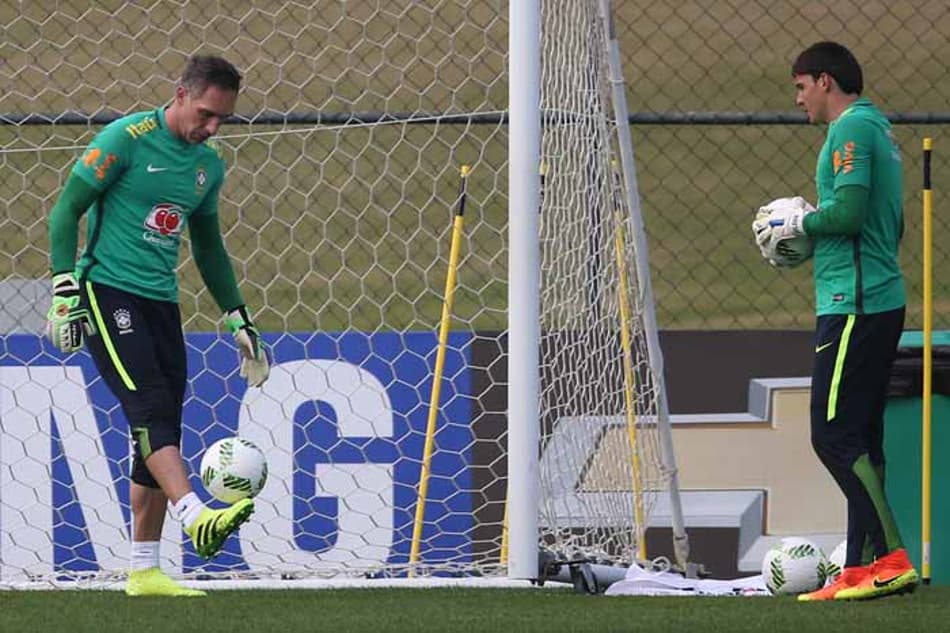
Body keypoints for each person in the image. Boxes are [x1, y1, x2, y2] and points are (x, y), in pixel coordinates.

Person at [45, 55, 270, 597]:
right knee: (148, 405)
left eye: (222, 119)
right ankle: (196, 516)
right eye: (206, 114)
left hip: (161, 303)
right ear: (180, 94)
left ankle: (144, 570)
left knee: (162, 421)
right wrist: (63, 289)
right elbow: (65, 211)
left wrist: (237, 315)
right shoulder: (124, 139)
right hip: (106, 291)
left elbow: (209, 247)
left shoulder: (208, 166)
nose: (212, 128)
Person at [758, 41, 919, 601]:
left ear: (825, 81)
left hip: (855, 305)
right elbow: (887, 223)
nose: (798, 98)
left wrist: (798, 224)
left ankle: (891, 559)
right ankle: (859, 568)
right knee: (862, 437)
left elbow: (848, 214)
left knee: (832, 435)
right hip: (872, 297)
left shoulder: (850, 130)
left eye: (801, 86)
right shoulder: (877, 128)